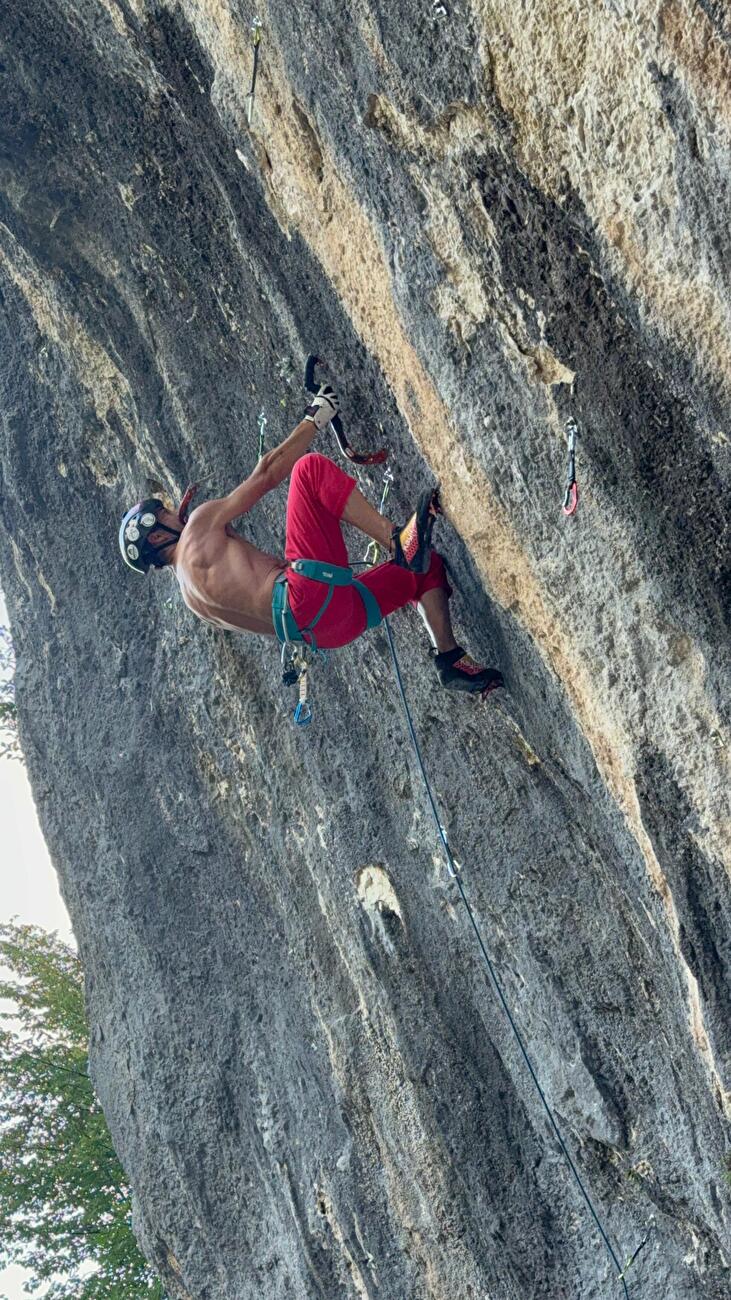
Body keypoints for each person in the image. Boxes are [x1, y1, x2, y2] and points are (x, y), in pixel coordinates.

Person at [119, 384, 503, 694]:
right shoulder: (196, 530)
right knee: (309, 471)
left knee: (426, 569)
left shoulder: (193, 601)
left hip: (328, 630)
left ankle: (449, 659)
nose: (175, 511)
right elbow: (266, 475)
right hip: (308, 594)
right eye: (164, 512)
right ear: (156, 533)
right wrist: (316, 415)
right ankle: (397, 540)